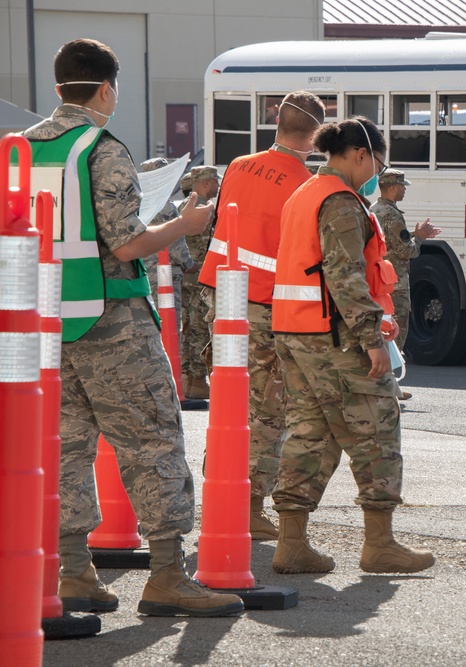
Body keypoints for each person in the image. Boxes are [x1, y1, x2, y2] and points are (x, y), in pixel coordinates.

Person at [23, 38, 243, 616]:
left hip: (44, 327)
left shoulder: (19, 150)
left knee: (65, 448)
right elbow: (127, 241)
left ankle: (74, 572)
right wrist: (183, 224)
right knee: (152, 441)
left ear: (57, 88)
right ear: (105, 88)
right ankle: (168, 574)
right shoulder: (101, 147)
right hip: (112, 319)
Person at [270, 116, 433, 575]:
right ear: (361, 154)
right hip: (335, 339)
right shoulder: (341, 202)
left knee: (309, 434)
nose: (378, 172)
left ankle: (291, 544)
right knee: (378, 431)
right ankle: (379, 544)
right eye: (379, 163)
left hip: (296, 333)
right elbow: (344, 276)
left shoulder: (304, 193)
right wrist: (371, 338)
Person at [198, 91, 326, 541]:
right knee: (267, 407)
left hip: (223, 295)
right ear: (315, 135)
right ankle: (247, 503)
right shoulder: (304, 183)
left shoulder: (237, 164)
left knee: (229, 401)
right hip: (265, 304)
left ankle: (218, 493)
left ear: (278, 123)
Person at [371, 167, 441, 400]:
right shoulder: (392, 215)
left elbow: (388, 243)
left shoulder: (374, 210)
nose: (404, 190)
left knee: (382, 333)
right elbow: (407, 251)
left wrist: (413, 232)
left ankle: (386, 385)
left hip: (379, 282)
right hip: (396, 285)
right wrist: (419, 237)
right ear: (392, 187)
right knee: (395, 334)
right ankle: (387, 387)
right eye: (402, 186)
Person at [139, 157, 193, 340]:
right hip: (164, 274)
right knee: (169, 323)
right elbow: (175, 241)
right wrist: (189, 263)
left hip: (145, 271)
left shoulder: (139, 202)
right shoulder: (163, 203)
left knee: (150, 323)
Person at [179, 165, 220, 399]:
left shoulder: (184, 208)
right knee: (200, 330)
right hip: (200, 280)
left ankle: (188, 378)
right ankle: (196, 379)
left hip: (186, 277)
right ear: (206, 183)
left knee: (187, 329)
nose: (217, 186)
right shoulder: (205, 209)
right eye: (215, 182)